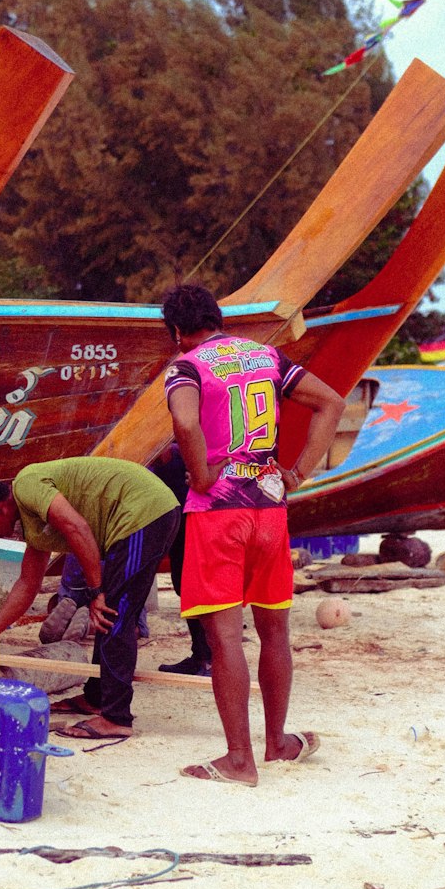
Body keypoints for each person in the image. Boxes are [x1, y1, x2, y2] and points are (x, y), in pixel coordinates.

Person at [161, 283, 345, 785]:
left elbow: (184, 422)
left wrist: (201, 477)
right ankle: (278, 742)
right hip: (270, 506)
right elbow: (331, 402)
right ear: (219, 318)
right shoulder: (266, 356)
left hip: (218, 513)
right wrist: (300, 472)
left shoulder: (187, 365)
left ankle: (239, 760)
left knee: (225, 639)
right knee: (274, 631)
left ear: (177, 331)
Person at [0, 457, 179, 743]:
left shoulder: (26, 483)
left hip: (144, 510)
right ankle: (96, 697)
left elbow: (78, 528)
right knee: (110, 614)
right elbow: (27, 583)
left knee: (113, 612)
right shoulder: (32, 521)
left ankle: (116, 718)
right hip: (139, 514)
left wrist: (96, 592)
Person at [148, 442, 213, 677]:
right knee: (183, 586)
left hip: (197, 518)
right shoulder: (160, 461)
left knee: (198, 587)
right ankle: (201, 655)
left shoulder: (182, 452)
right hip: (177, 522)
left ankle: (209, 658)